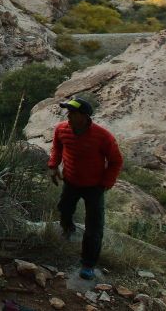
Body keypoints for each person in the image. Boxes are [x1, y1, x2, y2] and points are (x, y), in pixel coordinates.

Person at [47, 97, 123, 280]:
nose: (68, 115)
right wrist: (52, 166)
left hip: (94, 187)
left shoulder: (103, 136)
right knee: (64, 209)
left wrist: (105, 183)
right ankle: (68, 228)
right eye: (68, 112)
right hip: (71, 181)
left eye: (72, 113)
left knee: (94, 227)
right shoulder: (61, 129)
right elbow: (57, 148)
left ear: (84, 116)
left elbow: (116, 161)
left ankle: (88, 264)